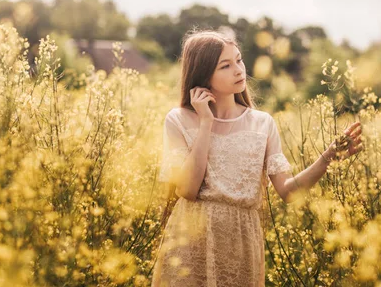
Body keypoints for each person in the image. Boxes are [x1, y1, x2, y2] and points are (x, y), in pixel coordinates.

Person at [151, 29, 363, 287]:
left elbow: (288, 192)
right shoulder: (179, 119)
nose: (239, 70)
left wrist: (328, 157)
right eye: (226, 65)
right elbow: (188, 189)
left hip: (242, 243)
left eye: (238, 60)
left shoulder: (262, 124)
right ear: (203, 73)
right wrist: (205, 121)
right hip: (190, 240)